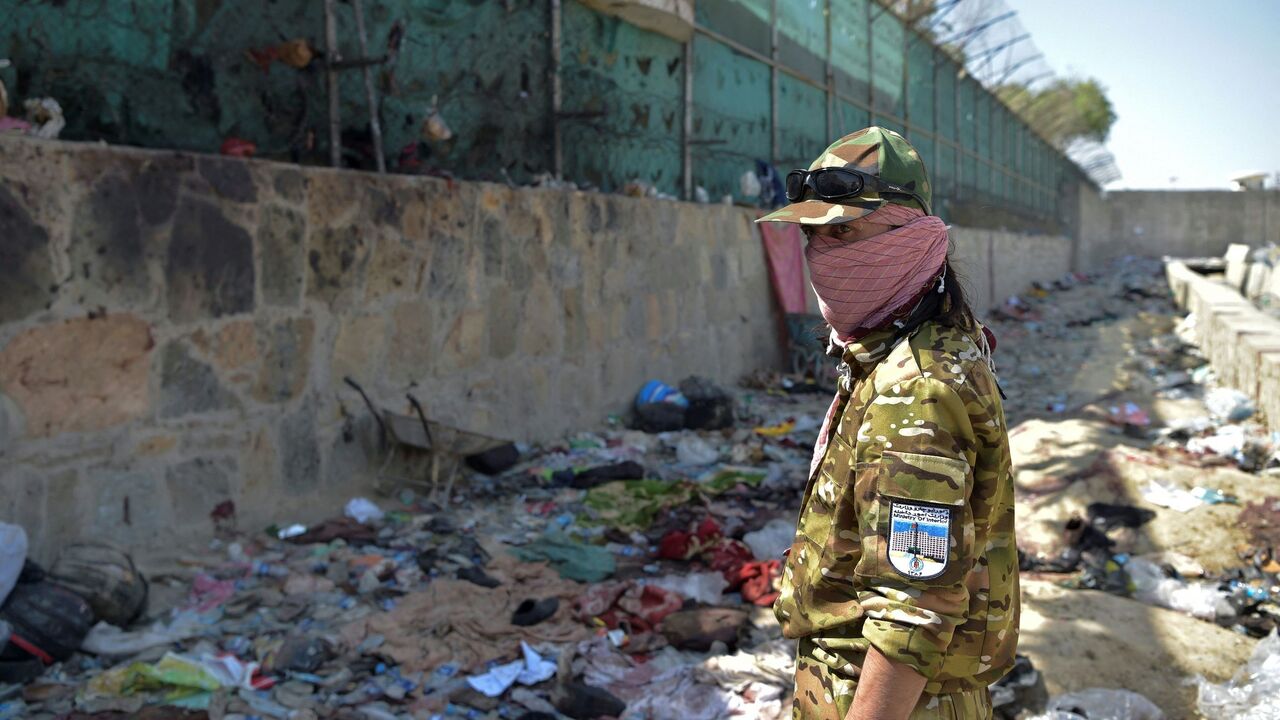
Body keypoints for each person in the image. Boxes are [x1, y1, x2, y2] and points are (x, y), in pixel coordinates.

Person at [757, 126, 1019, 720]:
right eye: (813, 236)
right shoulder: (902, 353)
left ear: (912, 238)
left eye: (843, 231)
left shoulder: (917, 390)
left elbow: (915, 605)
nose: (823, 255)